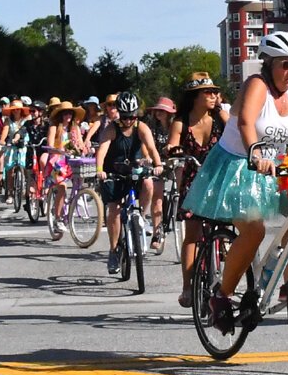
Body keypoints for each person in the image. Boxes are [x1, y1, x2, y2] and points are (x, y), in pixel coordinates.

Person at [183, 31, 288, 328]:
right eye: (285, 64)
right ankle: (220, 296)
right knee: (253, 231)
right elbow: (244, 120)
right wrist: (255, 154)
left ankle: (286, 278)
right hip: (237, 166)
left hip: (273, 166)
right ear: (268, 64)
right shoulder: (257, 85)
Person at [166, 72, 229, 308]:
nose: (213, 96)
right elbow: (172, 143)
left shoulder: (220, 117)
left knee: (231, 226)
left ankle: (224, 253)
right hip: (194, 180)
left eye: (215, 92)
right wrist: (172, 150)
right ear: (195, 96)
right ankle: (187, 287)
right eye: (208, 92)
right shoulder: (181, 122)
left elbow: (236, 130)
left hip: (218, 178)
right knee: (192, 234)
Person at [95, 93, 164, 274]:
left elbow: (151, 147)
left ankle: (141, 215)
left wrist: (157, 165)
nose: (128, 121)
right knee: (115, 209)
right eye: (125, 117)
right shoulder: (111, 128)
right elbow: (101, 151)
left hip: (134, 169)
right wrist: (100, 169)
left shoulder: (141, 127)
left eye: (132, 116)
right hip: (114, 171)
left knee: (149, 183)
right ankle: (113, 250)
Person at [145, 96, 178, 249]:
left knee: (180, 192)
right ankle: (157, 233)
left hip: (174, 162)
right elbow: (146, 144)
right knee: (157, 197)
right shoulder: (151, 126)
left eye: (163, 110)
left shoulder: (176, 125)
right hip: (157, 163)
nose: (159, 113)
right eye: (157, 110)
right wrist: (147, 157)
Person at [0, 98, 35, 204]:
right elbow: (5, 132)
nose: (16, 111)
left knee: (28, 168)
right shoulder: (8, 121)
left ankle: (28, 189)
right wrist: (3, 141)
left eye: (18, 109)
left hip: (25, 146)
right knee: (10, 169)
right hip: (12, 146)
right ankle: (10, 193)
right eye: (14, 109)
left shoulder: (27, 119)